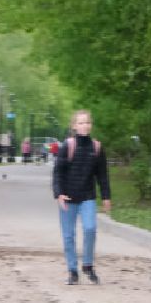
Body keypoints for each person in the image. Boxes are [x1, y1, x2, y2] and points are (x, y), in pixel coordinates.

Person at [51, 110, 112, 285]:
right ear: (74, 126)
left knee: (90, 228)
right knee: (68, 235)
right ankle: (72, 271)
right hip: (68, 197)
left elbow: (102, 175)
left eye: (87, 122)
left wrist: (106, 196)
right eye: (81, 123)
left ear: (90, 125)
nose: (84, 125)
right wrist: (59, 193)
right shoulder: (67, 146)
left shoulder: (97, 148)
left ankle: (87, 265)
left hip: (87, 196)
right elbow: (58, 172)